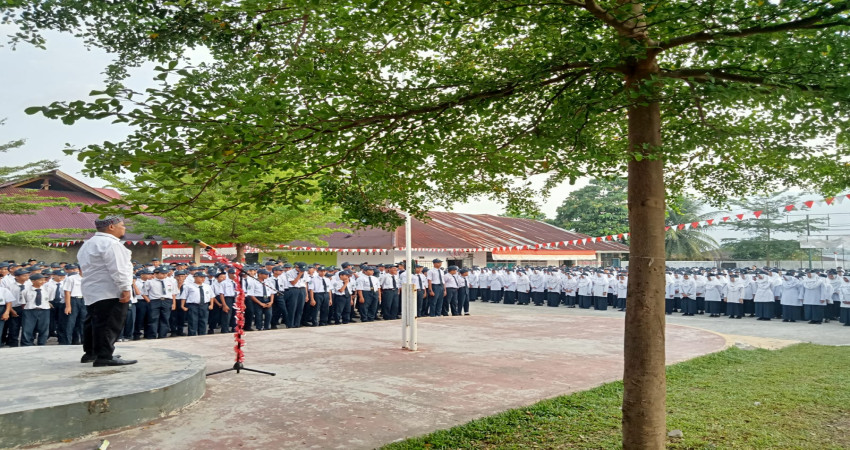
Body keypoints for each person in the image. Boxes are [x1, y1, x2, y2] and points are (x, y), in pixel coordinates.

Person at [77, 216, 136, 366]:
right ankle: (104, 356)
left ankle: (91, 353)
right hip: (109, 290)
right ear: (111, 227)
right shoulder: (111, 244)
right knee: (109, 324)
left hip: (93, 290)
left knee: (93, 322)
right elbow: (119, 269)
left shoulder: (88, 244)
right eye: (122, 225)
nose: (124, 228)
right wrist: (125, 288)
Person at [20, 272, 53, 346]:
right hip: (30, 310)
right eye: (40, 280)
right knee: (27, 328)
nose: (43, 281)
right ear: (33, 281)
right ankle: (27, 343)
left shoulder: (47, 289)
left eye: (44, 280)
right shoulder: (26, 291)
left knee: (44, 328)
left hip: (44, 310)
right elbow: (23, 302)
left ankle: (42, 343)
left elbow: (49, 299)